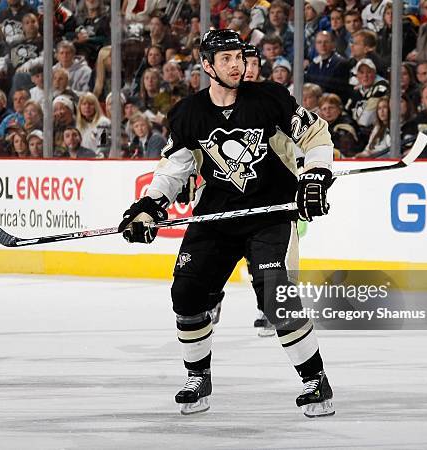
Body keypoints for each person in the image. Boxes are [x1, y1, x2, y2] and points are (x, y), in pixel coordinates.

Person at [117, 29, 336, 418]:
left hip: (268, 214)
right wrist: (149, 205)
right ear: (207, 66)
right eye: (226, 59)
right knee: (186, 295)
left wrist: (316, 174)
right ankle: (197, 376)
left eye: (239, 57)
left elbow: (316, 133)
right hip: (214, 218)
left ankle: (315, 380)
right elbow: (174, 169)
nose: (236, 65)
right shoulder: (189, 113)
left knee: (276, 299)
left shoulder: (268, 98)